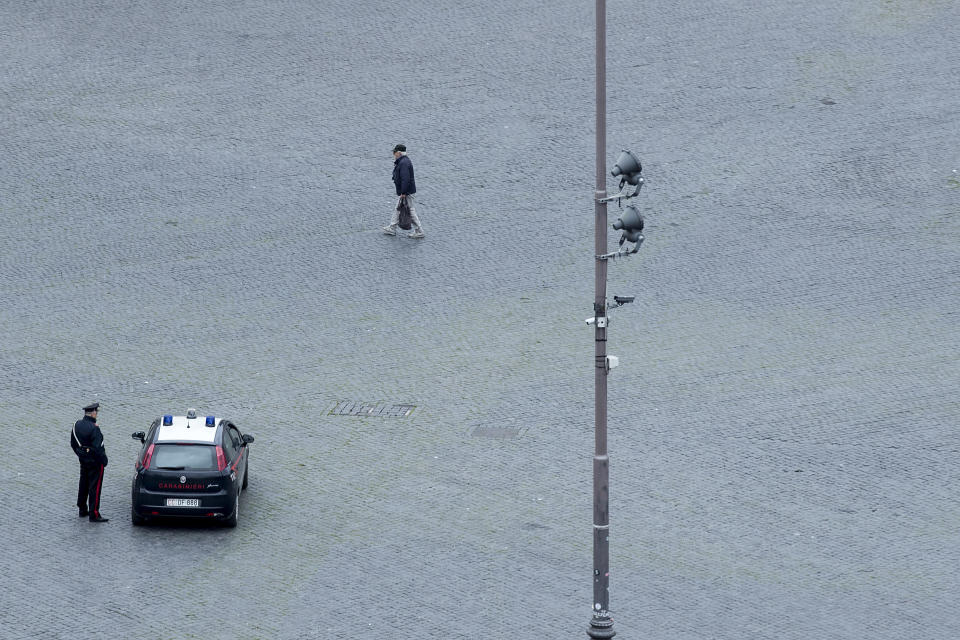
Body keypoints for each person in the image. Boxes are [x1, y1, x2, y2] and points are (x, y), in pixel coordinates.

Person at [71, 402, 109, 522]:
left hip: (83, 461)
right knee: (95, 487)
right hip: (95, 463)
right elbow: (98, 448)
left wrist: (81, 455)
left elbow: (73, 444)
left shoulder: (76, 425)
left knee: (83, 484)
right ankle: (94, 513)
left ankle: (82, 508)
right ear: (93, 413)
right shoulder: (95, 428)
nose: (96, 414)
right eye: (96, 412)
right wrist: (104, 461)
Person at [383, 143, 425, 238]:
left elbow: (405, 179)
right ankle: (392, 227)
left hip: (407, 192)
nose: (393, 154)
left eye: (394, 153)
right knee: (398, 208)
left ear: (399, 153)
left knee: (409, 210)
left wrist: (403, 192)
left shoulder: (403, 163)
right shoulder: (403, 161)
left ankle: (419, 230)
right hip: (406, 191)